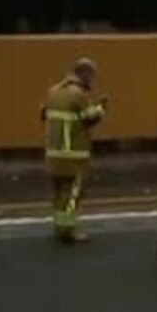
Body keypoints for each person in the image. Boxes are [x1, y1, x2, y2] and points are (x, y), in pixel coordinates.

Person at [42, 57, 108, 244]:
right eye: (92, 77)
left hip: (53, 152)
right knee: (72, 194)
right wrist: (101, 108)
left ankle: (59, 225)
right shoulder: (78, 94)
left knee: (59, 193)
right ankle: (67, 230)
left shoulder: (53, 92)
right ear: (85, 75)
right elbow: (89, 118)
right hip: (74, 154)